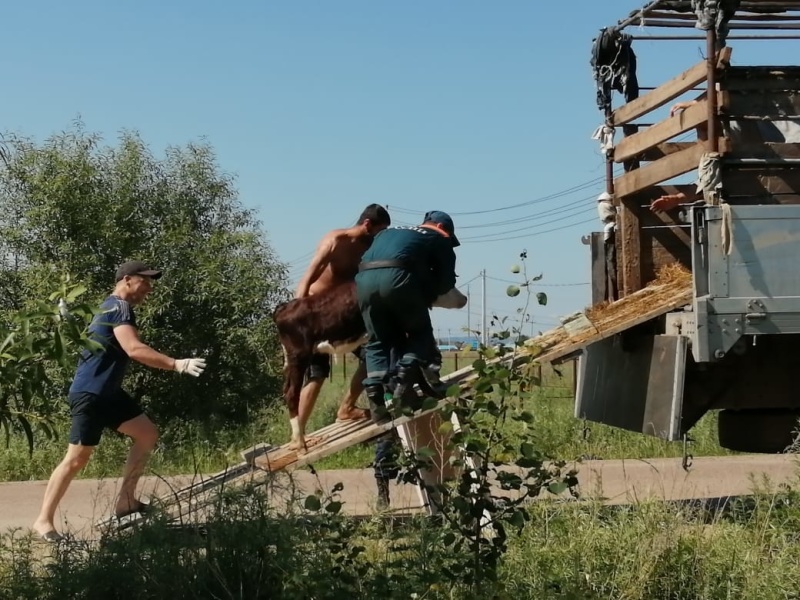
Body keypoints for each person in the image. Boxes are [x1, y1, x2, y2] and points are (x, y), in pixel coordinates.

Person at [32, 261, 207, 542]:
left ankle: (126, 502)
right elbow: (133, 348)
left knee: (147, 433)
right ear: (127, 279)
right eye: (145, 281)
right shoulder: (118, 307)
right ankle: (43, 522)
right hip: (91, 393)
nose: (149, 288)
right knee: (76, 459)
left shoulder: (108, 307)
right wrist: (177, 364)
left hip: (108, 393)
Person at [354, 210, 459, 508]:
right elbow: (445, 282)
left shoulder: (390, 234)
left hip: (363, 283)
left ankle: (375, 398)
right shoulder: (438, 238)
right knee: (421, 336)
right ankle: (400, 384)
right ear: (442, 228)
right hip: (398, 283)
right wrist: (424, 288)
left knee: (376, 344)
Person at [291, 204, 391, 445]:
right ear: (367, 225)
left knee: (373, 354)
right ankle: (298, 435)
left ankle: (346, 408)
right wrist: (298, 321)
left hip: (343, 316)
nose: (380, 236)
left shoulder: (370, 248)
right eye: (379, 231)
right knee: (317, 374)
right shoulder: (335, 241)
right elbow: (306, 280)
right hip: (316, 314)